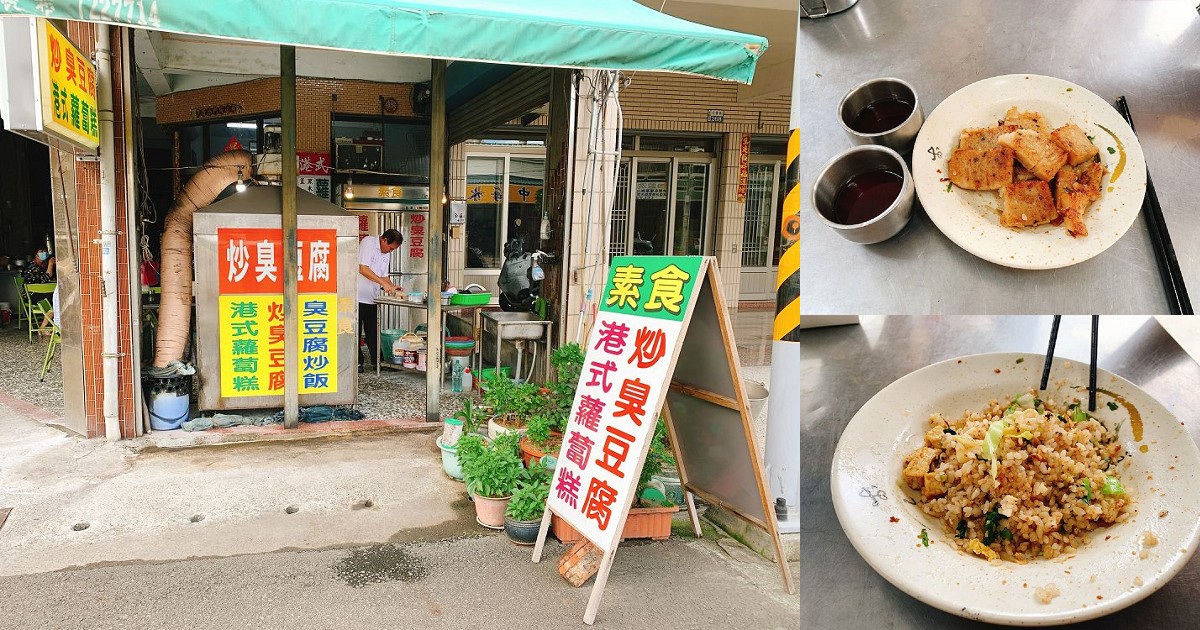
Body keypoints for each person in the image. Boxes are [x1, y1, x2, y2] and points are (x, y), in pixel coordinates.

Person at [358, 229, 403, 371]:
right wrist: (383, 284)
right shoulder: (368, 243)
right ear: (384, 240)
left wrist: (391, 287)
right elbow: (363, 268)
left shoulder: (386, 254)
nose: (390, 251)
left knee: (373, 331)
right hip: (357, 296)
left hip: (373, 298)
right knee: (356, 333)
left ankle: (377, 361)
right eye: (390, 248)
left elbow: (383, 276)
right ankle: (357, 362)